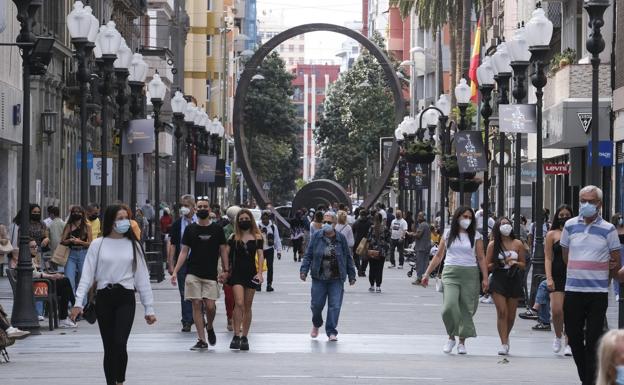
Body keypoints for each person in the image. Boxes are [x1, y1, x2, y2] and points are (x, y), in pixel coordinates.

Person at [71, 204, 156, 385]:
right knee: (109, 347)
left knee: (120, 343)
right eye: (120, 218)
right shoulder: (97, 244)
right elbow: (87, 275)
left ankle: (120, 380)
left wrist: (149, 308)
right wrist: (78, 302)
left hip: (125, 297)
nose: (124, 222)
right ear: (110, 220)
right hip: (104, 298)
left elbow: (142, 278)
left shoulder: (134, 245)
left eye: (126, 218)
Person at [562, 185, 623, 385]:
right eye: (583, 200)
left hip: (597, 291)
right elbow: (565, 255)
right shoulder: (570, 225)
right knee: (573, 336)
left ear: (599, 204)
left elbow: (615, 259)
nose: (586, 204)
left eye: (591, 201)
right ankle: (587, 378)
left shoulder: (609, 229)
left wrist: (609, 277)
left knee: (595, 340)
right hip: (573, 290)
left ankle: (589, 381)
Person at [421, 206, 489, 355]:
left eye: (470, 217)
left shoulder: (476, 236)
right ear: (457, 217)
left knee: (466, 308)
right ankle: (451, 336)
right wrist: (426, 273)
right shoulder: (448, 233)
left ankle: (462, 342)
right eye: (465, 216)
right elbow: (439, 256)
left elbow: (481, 257)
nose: (467, 220)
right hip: (450, 272)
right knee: (449, 307)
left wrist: (485, 278)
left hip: (470, 273)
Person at [171, 198, 228, 351]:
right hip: (193, 272)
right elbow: (184, 251)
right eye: (200, 207)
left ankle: (209, 326)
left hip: (211, 274)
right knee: (196, 303)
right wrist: (175, 270)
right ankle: (201, 339)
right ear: (195, 209)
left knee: (210, 306)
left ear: (210, 210)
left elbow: (223, 250)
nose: (202, 209)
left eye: (205, 206)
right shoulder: (190, 230)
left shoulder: (217, 229)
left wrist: (225, 270)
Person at [300, 211, 356, 341]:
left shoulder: (341, 238)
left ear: (335, 224)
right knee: (316, 305)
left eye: (329, 222)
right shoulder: (316, 236)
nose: (326, 224)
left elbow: (348, 257)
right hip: (319, 277)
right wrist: (304, 270)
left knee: (335, 305)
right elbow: (309, 254)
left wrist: (352, 275)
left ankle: (331, 331)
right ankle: (316, 323)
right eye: (324, 222)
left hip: (336, 278)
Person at [486, 217, 526, 356]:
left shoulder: (518, 243)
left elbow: (523, 264)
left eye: (507, 223)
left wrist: (514, 262)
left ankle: (506, 336)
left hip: (513, 278)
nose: (506, 226)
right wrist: (500, 263)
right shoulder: (493, 245)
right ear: (497, 227)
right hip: (498, 278)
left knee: (511, 315)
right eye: (502, 224)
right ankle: (503, 343)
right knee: (502, 312)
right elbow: (487, 265)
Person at [227, 208, 264, 351]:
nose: (244, 221)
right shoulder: (233, 237)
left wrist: (260, 273)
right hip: (236, 274)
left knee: (248, 306)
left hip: (251, 274)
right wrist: (224, 271)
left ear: (251, 220)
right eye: (241, 219)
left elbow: (260, 255)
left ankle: (245, 337)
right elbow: (227, 256)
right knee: (239, 302)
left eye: (246, 219)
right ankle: (236, 334)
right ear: (237, 221)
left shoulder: (257, 237)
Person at [26, 239, 77, 328]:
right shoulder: (25, 259)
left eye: (36, 246)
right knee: (65, 282)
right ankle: (71, 310)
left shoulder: (30, 258)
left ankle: (68, 313)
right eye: (32, 247)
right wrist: (51, 276)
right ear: (25, 249)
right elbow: (33, 274)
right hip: (38, 288)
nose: (35, 249)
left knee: (65, 281)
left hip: (40, 285)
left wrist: (52, 275)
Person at [545, 204, 573, 354]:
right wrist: (549, 278)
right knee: (556, 310)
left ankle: (569, 341)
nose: (564, 217)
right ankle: (557, 336)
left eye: (567, 214)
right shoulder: (551, 234)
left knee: (570, 310)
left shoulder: (576, 232)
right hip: (557, 274)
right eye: (561, 215)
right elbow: (548, 257)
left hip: (574, 274)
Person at [166, 194, 196, 332]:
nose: (184, 208)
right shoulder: (177, 224)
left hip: (198, 261)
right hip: (182, 261)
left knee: (198, 290)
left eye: (186, 205)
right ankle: (187, 320)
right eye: (182, 205)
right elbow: (173, 244)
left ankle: (198, 316)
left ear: (193, 207)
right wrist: (171, 263)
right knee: (184, 292)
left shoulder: (200, 222)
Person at [60, 205, 93, 294]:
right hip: (71, 254)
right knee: (69, 279)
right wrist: (70, 240)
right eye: (74, 212)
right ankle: (71, 303)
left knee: (83, 280)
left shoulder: (87, 226)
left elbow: (90, 243)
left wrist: (80, 242)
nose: (76, 214)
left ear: (82, 214)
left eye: (78, 212)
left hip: (83, 253)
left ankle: (82, 303)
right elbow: (62, 241)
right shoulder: (69, 226)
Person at [222, 205, 241, 331]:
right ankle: (230, 317)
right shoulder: (225, 230)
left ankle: (238, 319)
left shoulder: (247, 230)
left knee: (241, 298)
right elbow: (222, 250)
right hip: (228, 266)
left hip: (243, 267)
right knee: (229, 296)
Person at [258, 210, 282, 292]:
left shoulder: (273, 227)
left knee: (270, 267)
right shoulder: (258, 226)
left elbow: (277, 239)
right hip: (259, 250)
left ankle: (269, 284)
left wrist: (279, 251)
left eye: (266, 218)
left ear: (269, 218)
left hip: (269, 250)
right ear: (261, 218)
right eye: (263, 218)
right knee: (259, 267)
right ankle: (258, 283)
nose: (265, 220)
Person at [366, 213, 389, 292]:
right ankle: (378, 286)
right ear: (381, 219)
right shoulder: (385, 228)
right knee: (379, 269)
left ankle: (372, 285)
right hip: (381, 252)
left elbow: (368, 239)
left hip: (372, 251)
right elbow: (388, 239)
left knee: (372, 268)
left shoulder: (371, 228)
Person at [410, 212, 431, 284]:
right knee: (425, 264)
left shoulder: (422, 225)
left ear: (422, 217)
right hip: (426, 247)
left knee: (420, 263)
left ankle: (419, 279)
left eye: (419, 217)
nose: (418, 218)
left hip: (421, 247)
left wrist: (412, 234)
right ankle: (424, 279)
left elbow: (418, 235)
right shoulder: (427, 225)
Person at [351, 209, 371, 277]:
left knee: (356, 255)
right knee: (365, 257)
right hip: (366, 241)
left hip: (357, 241)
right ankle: (363, 270)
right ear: (366, 215)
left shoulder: (356, 222)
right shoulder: (370, 223)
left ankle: (359, 268)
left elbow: (352, 232)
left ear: (360, 215)